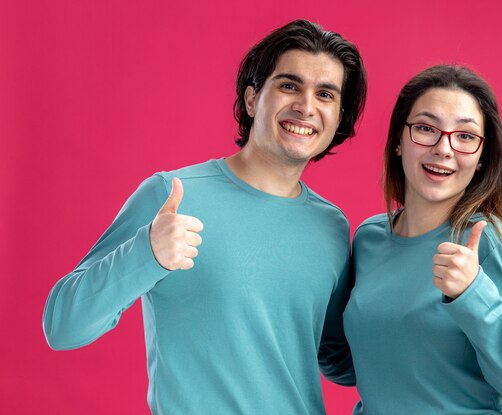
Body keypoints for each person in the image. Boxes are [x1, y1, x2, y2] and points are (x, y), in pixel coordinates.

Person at [43, 19, 366, 414]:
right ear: (252, 99)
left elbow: (339, 360)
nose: (306, 106)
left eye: (326, 94)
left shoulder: (331, 227)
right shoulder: (171, 196)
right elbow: (63, 327)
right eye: (289, 85)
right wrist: (147, 253)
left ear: (338, 118)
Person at [343, 65, 502, 414]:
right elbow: (356, 365)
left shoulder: (485, 240)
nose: (444, 148)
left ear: (483, 158)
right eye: (425, 129)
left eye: (465, 136)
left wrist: (473, 293)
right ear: (397, 140)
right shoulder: (369, 240)